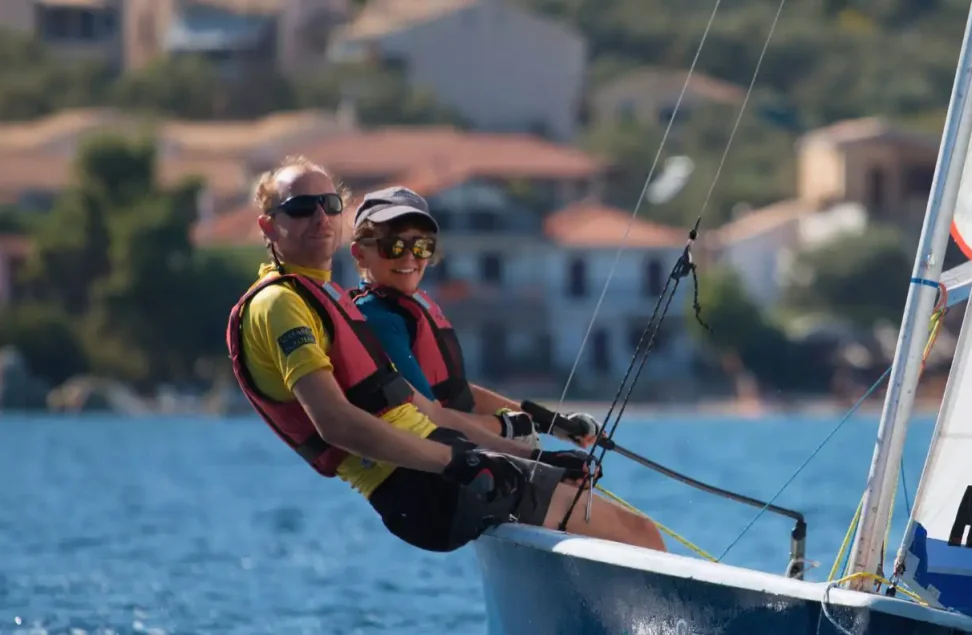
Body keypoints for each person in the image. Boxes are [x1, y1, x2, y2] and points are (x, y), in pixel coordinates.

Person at [224, 155, 666, 554]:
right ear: (267, 225)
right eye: (302, 207)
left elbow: (410, 402)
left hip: (440, 472)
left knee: (612, 526)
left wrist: (527, 455)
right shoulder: (280, 304)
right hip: (420, 486)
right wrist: (460, 461)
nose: (319, 216)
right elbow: (336, 424)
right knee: (641, 536)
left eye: (329, 205)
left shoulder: (324, 297)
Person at [343, 186, 601, 452]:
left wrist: (552, 423)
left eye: (421, 246)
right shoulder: (376, 317)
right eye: (393, 246)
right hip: (445, 464)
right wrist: (509, 429)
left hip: (469, 452)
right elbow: (426, 417)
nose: (410, 257)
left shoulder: (416, 305)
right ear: (360, 253)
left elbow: (456, 393)